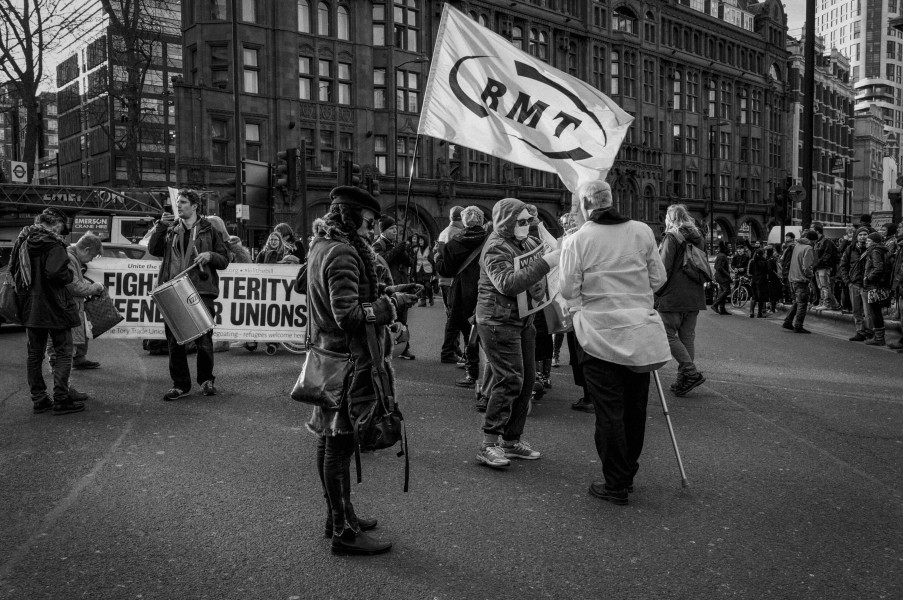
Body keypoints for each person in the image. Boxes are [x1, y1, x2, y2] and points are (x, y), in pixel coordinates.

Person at [306, 185, 419, 556]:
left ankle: (340, 516)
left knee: (329, 438)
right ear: (352, 216)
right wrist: (392, 304)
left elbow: (328, 295)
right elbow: (349, 315)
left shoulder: (322, 244)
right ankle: (344, 532)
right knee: (338, 445)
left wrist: (389, 291)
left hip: (330, 356)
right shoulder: (341, 252)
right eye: (369, 222)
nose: (372, 230)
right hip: (349, 361)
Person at [560, 180, 670, 506]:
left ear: (585, 205)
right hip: (638, 332)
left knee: (609, 411)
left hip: (597, 335)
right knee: (635, 409)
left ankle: (616, 483)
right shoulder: (642, 232)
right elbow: (659, 279)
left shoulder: (577, 241)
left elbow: (567, 290)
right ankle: (628, 474)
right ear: (611, 200)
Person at [474, 198, 559, 469]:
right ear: (507, 221)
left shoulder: (529, 243)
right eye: (520, 222)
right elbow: (507, 284)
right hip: (497, 321)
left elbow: (538, 278)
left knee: (527, 382)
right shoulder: (495, 247)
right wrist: (546, 264)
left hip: (523, 320)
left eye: (528, 222)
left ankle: (511, 441)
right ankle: (488, 443)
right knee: (510, 380)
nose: (526, 226)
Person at [148, 189, 231, 400]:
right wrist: (160, 226)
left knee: (204, 339)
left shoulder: (209, 229)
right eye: (178, 202)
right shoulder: (170, 229)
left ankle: (206, 380)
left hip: (201, 289)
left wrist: (210, 255)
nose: (179, 205)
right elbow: (154, 249)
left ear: (194, 206)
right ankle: (180, 385)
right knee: (175, 340)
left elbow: (224, 259)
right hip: (173, 289)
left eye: (183, 202)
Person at [10, 208, 85, 415]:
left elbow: (15, 273)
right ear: (56, 224)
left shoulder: (23, 241)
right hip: (54, 306)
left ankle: (40, 399)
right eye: (62, 227)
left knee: (34, 355)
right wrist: (69, 275)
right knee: (64, 351)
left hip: (30, 307)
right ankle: (61, 398)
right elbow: (56, 274)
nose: (62, 232)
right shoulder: (53, 244)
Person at [655, 204, 706, 396]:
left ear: (670, 219)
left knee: (666, 334)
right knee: (687, 338)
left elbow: (663, 269)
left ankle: (690, 373)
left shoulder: (672, 237)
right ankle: (683, 380)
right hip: (694, 294)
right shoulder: (699, 238)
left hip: (673, 296)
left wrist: (655, 294)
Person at [435, 206, 488, 389]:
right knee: (490, 334)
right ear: (481, 221)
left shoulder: (455, 243)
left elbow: (446, 270)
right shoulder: (491, 240)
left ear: (464, 222)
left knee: (469, 333)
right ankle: (493, 373)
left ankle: (471, 373)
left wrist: (437, 258)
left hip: (464, 294)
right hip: (486, 291)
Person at [372, 217, 415, 359]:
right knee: (389, 317)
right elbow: (384, 261)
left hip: (401, 284)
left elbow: (409, 263)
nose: (395, 231)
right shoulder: (378, 245)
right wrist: (398, 249)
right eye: (392, 229)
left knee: (403, 318)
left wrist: (404, 250)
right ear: (383, 230)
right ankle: (385, 346)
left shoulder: (394, 244)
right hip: (389, 287)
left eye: (396, 228)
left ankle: (403, 347)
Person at [64, 233, 105, 370]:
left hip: (68, 309)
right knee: (65, 353)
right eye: (91, 256)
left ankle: (63, 386)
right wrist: (95, 287)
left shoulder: (72, 257)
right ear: (86, 250)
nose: (90, 261)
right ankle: (63, 389)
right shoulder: (70, 259)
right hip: (68, 310)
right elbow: (75, 287)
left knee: (66, 351)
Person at [435, 206, 465, 363]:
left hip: (444, 278)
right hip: (452, 279)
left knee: (452, 314)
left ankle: (454, 347)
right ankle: (448, 351)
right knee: (453, 316)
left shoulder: (445, 232)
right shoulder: (457, 233)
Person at [839, 227, 873, 342]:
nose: (863, 236)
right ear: (856, 237)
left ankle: (869, 332)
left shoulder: (871, 249)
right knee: (856, 310)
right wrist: (847, 281)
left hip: (867, 284)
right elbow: (843, 265)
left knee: (868, 311)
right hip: (854, 283)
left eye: (865, 234)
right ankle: (860, 331)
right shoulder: (850, 249)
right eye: (860, 235)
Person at [782, 230, 817, 334]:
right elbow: (807, 267)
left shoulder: (797, 245)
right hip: (801, 278)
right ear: (813, 240)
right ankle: (798, 325)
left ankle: (788, 321)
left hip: (792, 277)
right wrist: (811, 275)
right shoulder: (808, 248)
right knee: (802, 303)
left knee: (797, 302)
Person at [863, 231, 890, 347]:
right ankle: (879, 337)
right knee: (876, 311)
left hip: (874, 285)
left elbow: (879, 268)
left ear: (873, 242)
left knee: (874, 311)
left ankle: (879, 338)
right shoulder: (880, 250)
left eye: (868, 240)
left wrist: (868, 277)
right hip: (878, 285)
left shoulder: (874, 251)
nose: (866, 242)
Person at [812, 223, 841, 310]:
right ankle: (828, 303)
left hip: (824, 267)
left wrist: (817, 263)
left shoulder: (825, 242)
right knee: (822, 286)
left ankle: (826, 303)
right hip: (820, 267)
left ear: (817, 232)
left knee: (824, 286)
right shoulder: (819, 242)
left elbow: (826, 256)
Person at [412, 234, 435, 307]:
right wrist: (413, 273)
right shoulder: (417, 250)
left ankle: (430, 297)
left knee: (427, 286)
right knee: (421, 287)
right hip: (419, 271)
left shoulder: (429, 249)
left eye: (421, 240)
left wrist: (434, 272)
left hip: (427, 271)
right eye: (419, 240)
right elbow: (414, 262)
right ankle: (423, 300)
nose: (420, 241)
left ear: (425, 241)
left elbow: (433, 261)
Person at [747, 247, 769, 318]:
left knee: (754, 297)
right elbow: (767, 271)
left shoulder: (753, 261)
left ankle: (751, 312)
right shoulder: (765, 261)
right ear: (762, 254)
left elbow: (750, 272)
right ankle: (759, 313)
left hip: (754, 281)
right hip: (762, 281)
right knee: (761, 298)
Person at [711, 240, 732, 315]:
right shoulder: (722, 256)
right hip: (722, 277)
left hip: (720, 276)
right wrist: (728, 275)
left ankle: (722, 308)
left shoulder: (721, 255)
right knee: (726, 291)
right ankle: (715, 304)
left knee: (722, 291)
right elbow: (719, 268)